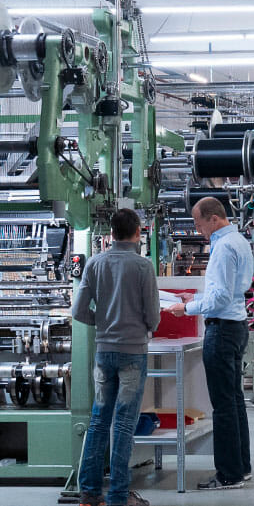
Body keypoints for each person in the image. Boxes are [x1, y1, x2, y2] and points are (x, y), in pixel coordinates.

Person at [72, 208, 160, 506]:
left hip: (104, 353)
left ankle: (89, 493)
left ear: (111, 234)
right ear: (138, 233)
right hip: (133, 353)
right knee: (123, 424)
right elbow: (153, 316)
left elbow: (79, 311)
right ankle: (119, 496)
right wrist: (140, 326)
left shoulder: (95, 264)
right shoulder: (143, 267)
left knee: (98, 422)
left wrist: (105, 322)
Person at [167, 196, 253, 490]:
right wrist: (197, 298)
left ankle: (229, 475)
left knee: (223, 405)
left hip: (223, 329)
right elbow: (225, 293)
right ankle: (241, 467)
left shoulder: (223, 247)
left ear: (213, 218)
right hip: (236, 325)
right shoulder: (238, 241)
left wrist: (186, 308)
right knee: (234, 401)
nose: (196, 229)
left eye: (198, 222)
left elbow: (220, 299)